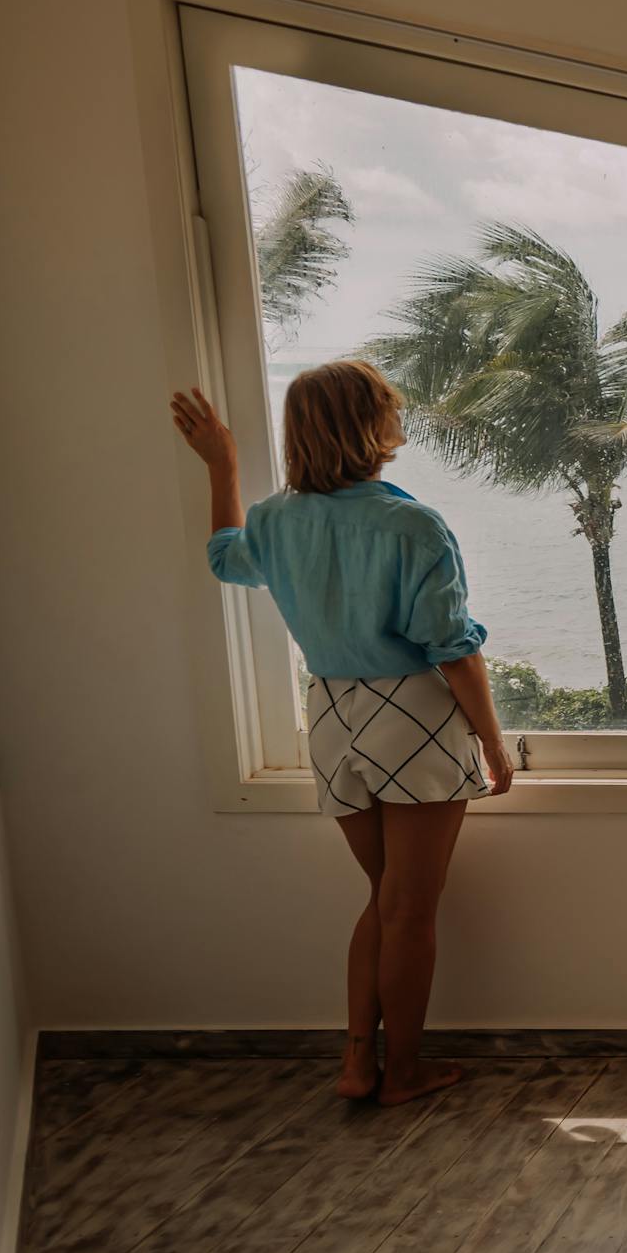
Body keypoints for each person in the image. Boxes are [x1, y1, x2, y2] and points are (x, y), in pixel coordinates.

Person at [172, 363, 513, 1105]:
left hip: (329, 714)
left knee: (383, 897)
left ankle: (359, 1064)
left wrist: (222, 466)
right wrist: (491, 740)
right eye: (390, 405)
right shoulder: (412, 524)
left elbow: (225, 556)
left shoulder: (275, 520)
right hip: (410, 717)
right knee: (410, 911)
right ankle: (406, 1073)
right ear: (373, 425)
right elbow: (451, 646)